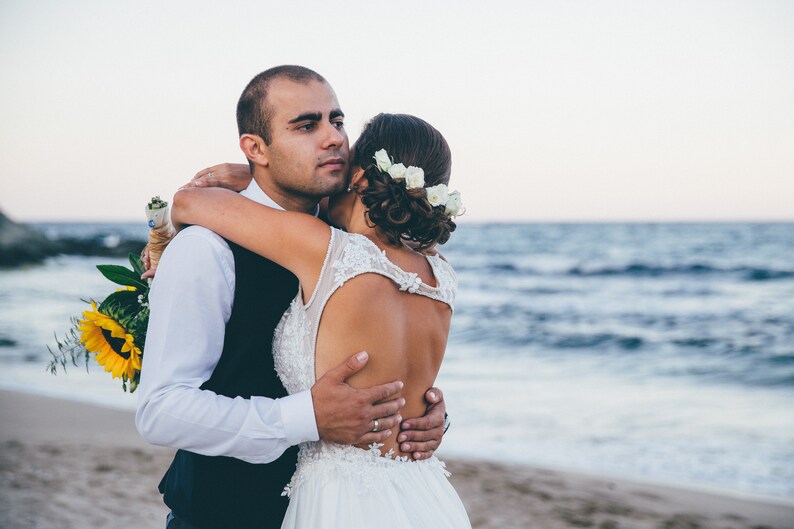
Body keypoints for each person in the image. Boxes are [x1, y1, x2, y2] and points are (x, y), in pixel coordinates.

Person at [135, 66, 448, 529]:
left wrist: (422, 416)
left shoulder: (354, 240)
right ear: (256, 148)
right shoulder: (206, 249)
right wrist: (306, 417)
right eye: (306, 125)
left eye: (337, 121)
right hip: (229, 515)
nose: (333, 138)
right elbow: (160, 411)